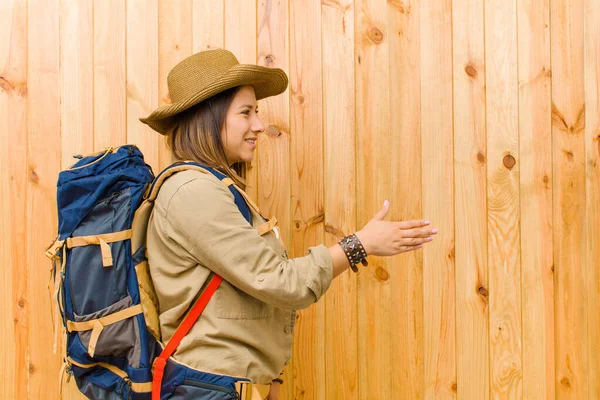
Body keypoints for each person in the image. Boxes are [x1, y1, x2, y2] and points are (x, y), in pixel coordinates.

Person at [139, 49, 437, 400]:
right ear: (209, 117)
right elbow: (282, 283)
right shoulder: (193, 192)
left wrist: (271, 383)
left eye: (258, 112)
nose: (259, 126)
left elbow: (249, 298)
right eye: (246, 112)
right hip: (209, 388)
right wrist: (360, 245)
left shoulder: (214, 189)